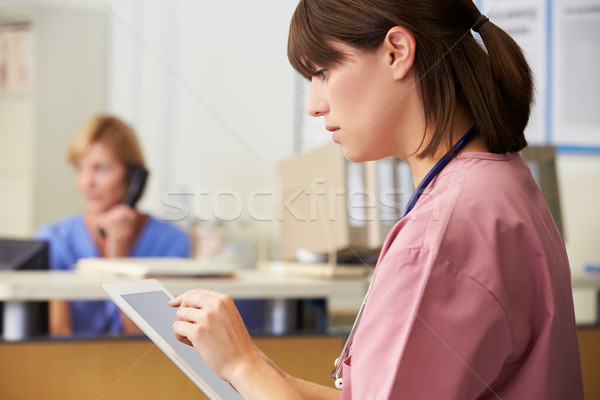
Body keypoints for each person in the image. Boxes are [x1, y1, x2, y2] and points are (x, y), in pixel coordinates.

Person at [169, 1, 584, 399]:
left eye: (324, 71)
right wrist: (257, 369)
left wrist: (244, 367)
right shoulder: (503, 182)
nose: (315, 105)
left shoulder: (439, 236)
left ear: (396, 53)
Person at [36, 115, 190, 336]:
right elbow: (58, 337)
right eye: (80, 168)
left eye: (101, 168)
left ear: (134, 173)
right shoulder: (54, 239)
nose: (87, 182)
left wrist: (119, 260)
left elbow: (147, 340)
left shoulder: (172, 241)